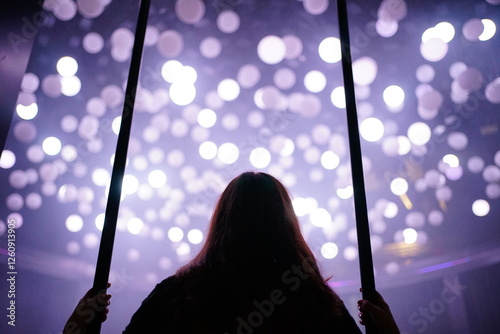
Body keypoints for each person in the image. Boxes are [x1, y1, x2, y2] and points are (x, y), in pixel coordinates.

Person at [64, 172, 400, 333]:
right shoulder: (315, 302)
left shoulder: (179, 294)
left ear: (222, 221)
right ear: (287, 225)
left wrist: (77, 331)